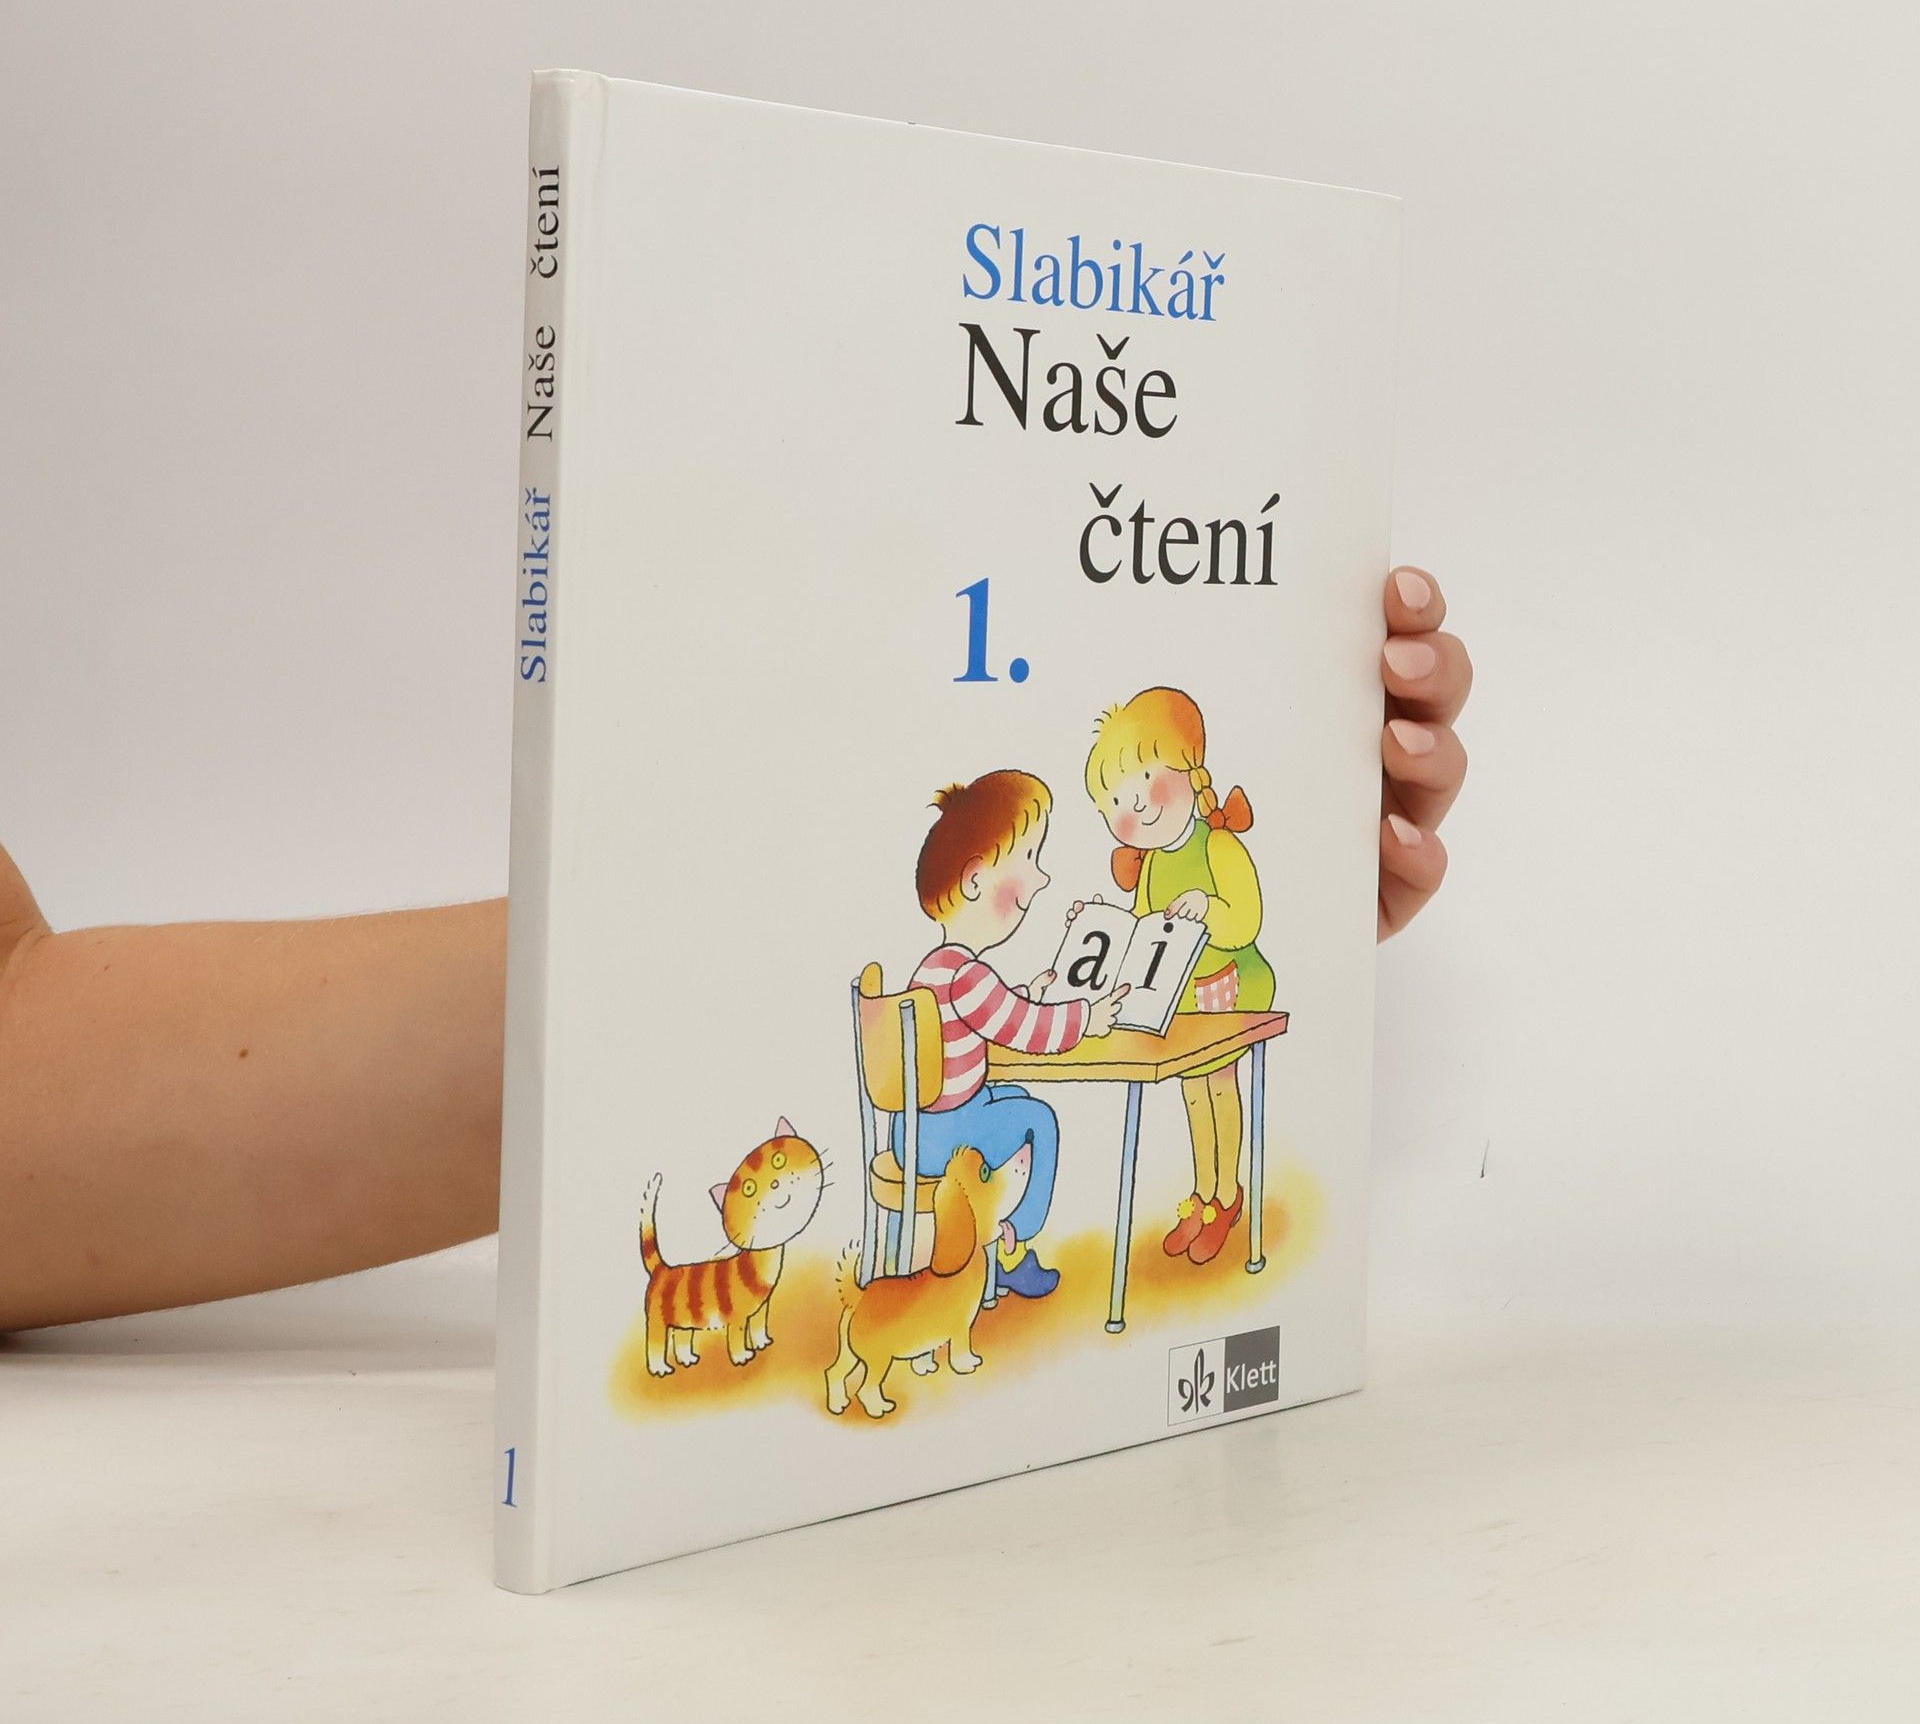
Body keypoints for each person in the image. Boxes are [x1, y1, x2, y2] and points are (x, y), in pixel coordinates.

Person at [0, 568, 1469, 1330]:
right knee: (1027, 1125)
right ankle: (1008, 1253)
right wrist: (1070, 1008)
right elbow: (1013, 1026)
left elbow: (32, 1068)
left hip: (928, 1083)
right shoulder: (960, 970)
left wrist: (762, 920)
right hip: (946, 1110)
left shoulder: (950, 957)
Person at [901, 770, 1127, 1300]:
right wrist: (1084, 1018)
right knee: (1037, 1120)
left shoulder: (936, 968)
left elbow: (994, 1015)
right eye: (1028, 858)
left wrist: (1028, 992)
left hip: (914, 1129)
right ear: (975, 881)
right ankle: (1011, 1245)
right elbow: (1027, 1030)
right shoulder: (968, 976)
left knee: (1014, 1096)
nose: (1040, 879)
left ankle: (988, 1238)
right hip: (946, 1138)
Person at [1081, 685, 1271, 1266]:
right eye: (1118, 799)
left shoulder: (1218, 845)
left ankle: (1227, 1194)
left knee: (1219, 1085)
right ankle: (1203, 1191)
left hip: (1230, 984)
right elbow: (1144, 932)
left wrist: (1206, 908)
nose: (1135, 806)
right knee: (1192, 1089)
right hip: (1180, 995)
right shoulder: (1150, 866)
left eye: (1145, 781)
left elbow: (1246, 919)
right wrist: (1102, 926)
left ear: (1190, 769)